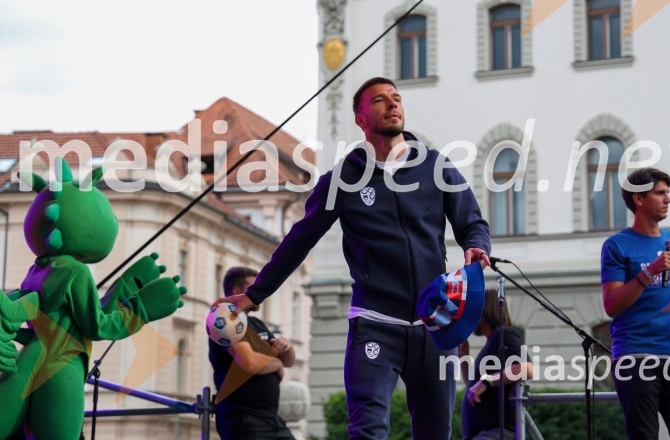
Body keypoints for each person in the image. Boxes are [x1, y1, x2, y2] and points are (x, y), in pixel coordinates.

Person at [214, 77, 491, 440]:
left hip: (434, 324)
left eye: (396, 98)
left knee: (437, 432)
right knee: (367, 431)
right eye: (379, 100)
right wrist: (255, 294)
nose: (392, 104)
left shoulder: (436, 167)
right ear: (360, 119)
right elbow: (299, 240)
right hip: (375, 323)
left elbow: (472, 222)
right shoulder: (342, 179)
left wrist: (476, 245)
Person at [600, 167, 670, 440]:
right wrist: (650, 271)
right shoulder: (616, 245)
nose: (668, 199)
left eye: (667, 193)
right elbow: (612, 305)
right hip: (635, 357)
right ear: (638, 199)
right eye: (660, 193)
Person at [209, 267, 296, 440]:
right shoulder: (225, 321)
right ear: (237, 292)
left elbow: (288, 361)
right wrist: (276, 364)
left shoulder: (256, 323)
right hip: (244, 419)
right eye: (254, 288)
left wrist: (287, 347)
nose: (260, 293)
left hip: (270, 418)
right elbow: (250, 363)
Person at [459, 288, 533, 440]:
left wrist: (486, 381)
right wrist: (464, 356)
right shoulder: (492, 342)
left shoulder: (504, 334)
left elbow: (526, 369)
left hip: (496, 433)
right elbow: (472, 386)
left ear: (485, 310)